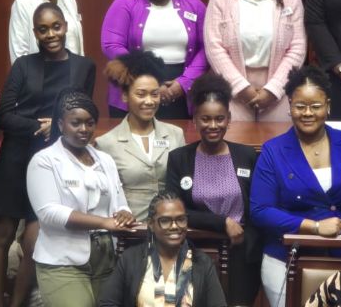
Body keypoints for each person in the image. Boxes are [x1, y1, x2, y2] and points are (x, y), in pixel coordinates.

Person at [0, 3, 96, 307]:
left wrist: (60, 126)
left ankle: (17, 302)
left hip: (54, 163)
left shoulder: (84, 66)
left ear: (66, 26)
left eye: (56, 27)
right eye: (43, 29)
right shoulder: (23, 65)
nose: (51, 34)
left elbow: (83, 113)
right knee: (3, 234)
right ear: (34, 32)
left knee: (35, 239)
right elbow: (2, 116)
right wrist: (43, 126)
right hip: (16, 157)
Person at [251, 66, 341, 307]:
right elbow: (260, 210)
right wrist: (314, 227)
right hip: (285, 259)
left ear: (328, 106)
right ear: (289, 106)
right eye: (300, 106)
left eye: (315, 106)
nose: (308, 113)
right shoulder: (274, 150)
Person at [27, 88, 136, 307]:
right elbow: (49, 213)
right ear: (60, 124)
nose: (84, 129)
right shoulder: (44, 161)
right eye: (75, 123)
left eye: (90, 123)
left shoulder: (105, 160)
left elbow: (119, 201)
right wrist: (104, 222)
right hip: (62, 262)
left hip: (106, 258)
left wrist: (125, 213)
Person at [165, 72, 261, 307]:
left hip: (242, 254)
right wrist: (222, 222)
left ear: (229, 119)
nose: (213, 125)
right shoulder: (179, 159)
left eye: (219, 118)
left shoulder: (247, 156)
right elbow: (175, 212)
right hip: (196, 252)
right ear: (195, 119)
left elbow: (257, 207)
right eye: (205, 119)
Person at [205, 0, 306, 121]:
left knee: (278, 146)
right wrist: (242, 89)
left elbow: (297, 49)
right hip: (231, 90)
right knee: (235, 146)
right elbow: (214, 48)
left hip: (278, 91)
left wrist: (273, 89)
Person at [101, 0, 208, 118]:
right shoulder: (124, 3)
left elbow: (207, 48)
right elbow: (111, 45)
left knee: (178, 141)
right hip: (135, 86)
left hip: (179, 90)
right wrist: (148, 79)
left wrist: (183, 83)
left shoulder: (194, 4)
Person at [96, 50, 187, 220]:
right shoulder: (106, 143)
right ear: (124, 96)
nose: (149, 101)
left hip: (171, 228)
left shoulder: (175, 135)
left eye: (155, 94)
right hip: (130, 230)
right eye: (141, 94)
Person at [98, 191, 227, 307]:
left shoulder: (201, 263)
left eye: (181, 219)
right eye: (165, 221)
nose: (175, 226)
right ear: (151, 224)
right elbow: (108, 303)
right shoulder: (131, 259)